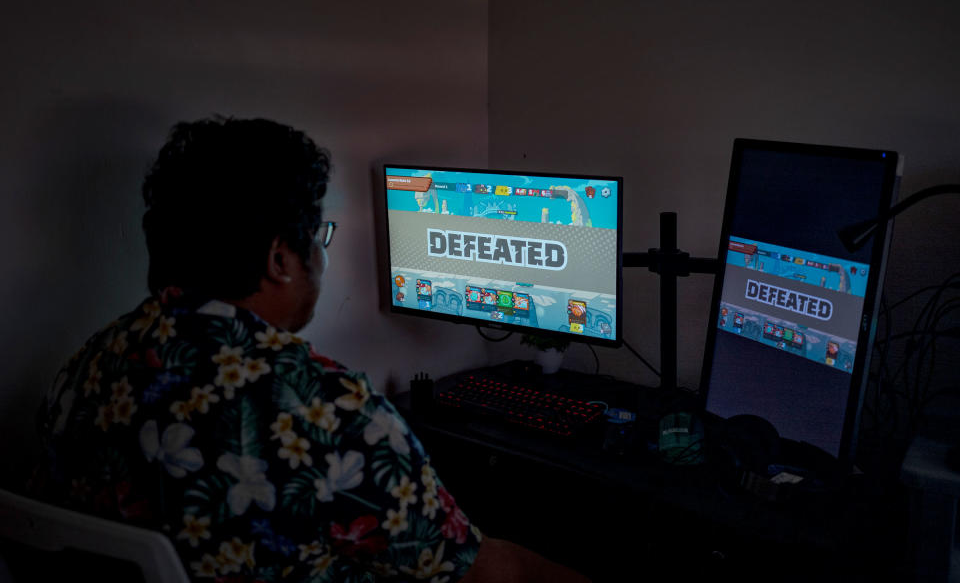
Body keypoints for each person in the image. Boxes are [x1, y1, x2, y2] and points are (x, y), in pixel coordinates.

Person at [31, 117, 589, 583]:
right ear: (279, 259)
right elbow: (484, 573)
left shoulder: (86, 368)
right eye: (318, 237)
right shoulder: (328, 408)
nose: (319, 258)